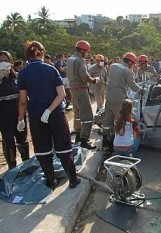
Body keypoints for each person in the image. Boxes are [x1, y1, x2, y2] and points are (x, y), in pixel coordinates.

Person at [17, 41, 80, 189]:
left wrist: (20, 119)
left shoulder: (23, 73)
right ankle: (73, 180)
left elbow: (22, 101)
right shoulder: (51, 69)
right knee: (63, 146)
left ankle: (51, 181)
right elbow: (61, 94)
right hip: (56, 114)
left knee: (43, 149)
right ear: (43, 52)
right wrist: (49, 110)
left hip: (36, 115)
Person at [102, 53, 144, 150]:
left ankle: (105, 141)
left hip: (108, 97)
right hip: (118, 99)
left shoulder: (113, 66)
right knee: (120, 120)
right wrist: (143, 91)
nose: (133, 65)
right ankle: (119, 143)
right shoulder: (127, 71)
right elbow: (133, 86)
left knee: (107, 119)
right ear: (129, 62)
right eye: (133, 63)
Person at [66, 40, 101, 149]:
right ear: (82, 50)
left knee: (77, 114)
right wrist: (95, 80)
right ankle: (85, 140)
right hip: (81, 89)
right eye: (86, 52)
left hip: (73, 89)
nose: (87, 54)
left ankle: (78, 136)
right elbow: (85, 77)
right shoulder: (80, 60)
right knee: (87, 116)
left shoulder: (70, 59)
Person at [0, 51, 29, 170]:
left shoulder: (17, 76)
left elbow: (25, 94)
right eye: (0, 61)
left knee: (22, 138)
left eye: (6, 61)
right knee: (8, 141)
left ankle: (27, 164)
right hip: (3, 114)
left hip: (19, 113)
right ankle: (12, 167)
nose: (3, 63)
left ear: (11, 62)